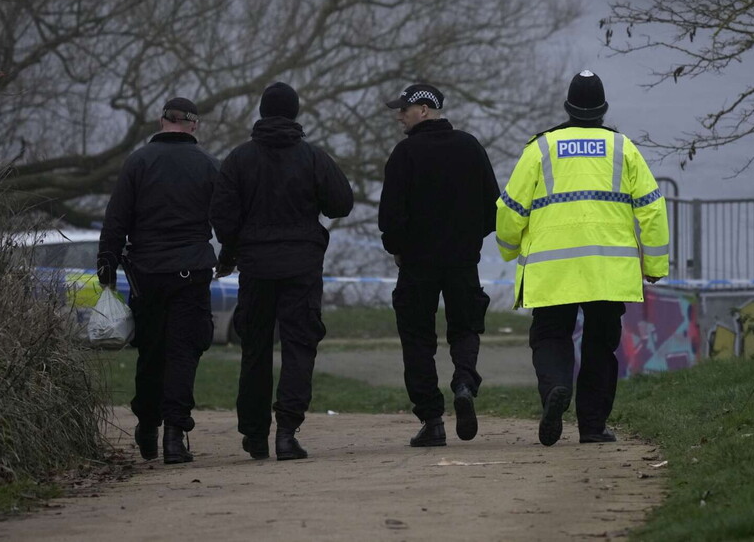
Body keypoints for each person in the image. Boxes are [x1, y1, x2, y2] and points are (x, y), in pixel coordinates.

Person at [495, 71, 669, 446]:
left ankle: (557, 388)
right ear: (603, 110)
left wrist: (508, 249)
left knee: (550, 336)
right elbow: (653, 210)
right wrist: (654, 266)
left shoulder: (540, 149)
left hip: (552, 269)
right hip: (608, 270)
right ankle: (592, 426)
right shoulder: (624, 149)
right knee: (600, 345)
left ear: (568, 107)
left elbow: (510, 209)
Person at [211, 82, 353, 461]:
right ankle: (287, 432)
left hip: (255, 268)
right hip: (302, 267)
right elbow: (341, 203)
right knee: (299, 347)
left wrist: (235, 247)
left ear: (261, 112)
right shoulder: (312, 157)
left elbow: (222, 216)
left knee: (254, 350)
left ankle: (255, 434)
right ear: (294, 113)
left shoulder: (239, 159)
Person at [97, 97, 220, 464]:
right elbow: (228, 218)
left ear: (161, 120)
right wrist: (230, 257)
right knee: (184, 352)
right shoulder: (210, 166)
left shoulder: (137, 162)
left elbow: (116, 217)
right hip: (191, 273)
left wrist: (106, 261)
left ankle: (148, 425)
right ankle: (175, 437)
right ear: (194, 125)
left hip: (146, 275)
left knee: (151, 353)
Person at [379, 82, 500, 447]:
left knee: (417, 340)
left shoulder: (404, 154)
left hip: (417, 265)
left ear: (425, 110)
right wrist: (468, 239)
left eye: (404, 109)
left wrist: (398, 248)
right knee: (465, 328)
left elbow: (390, 217)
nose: (399, 115)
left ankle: (432, 420)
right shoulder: (470, 147)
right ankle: (463, 381)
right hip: (463, 262)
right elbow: (493, 207)